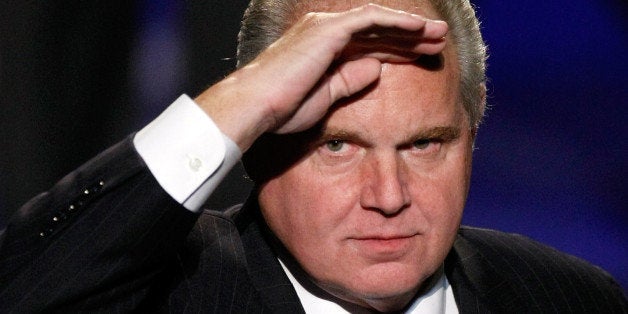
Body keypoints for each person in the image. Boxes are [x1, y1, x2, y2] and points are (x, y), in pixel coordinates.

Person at [0, 0, 625, 312]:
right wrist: (245, 100)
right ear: (255, 144)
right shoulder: (166, 294)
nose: (388, 196)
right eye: (337, 146)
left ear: (474, 124)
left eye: (425, 143)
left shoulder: (570, 297)